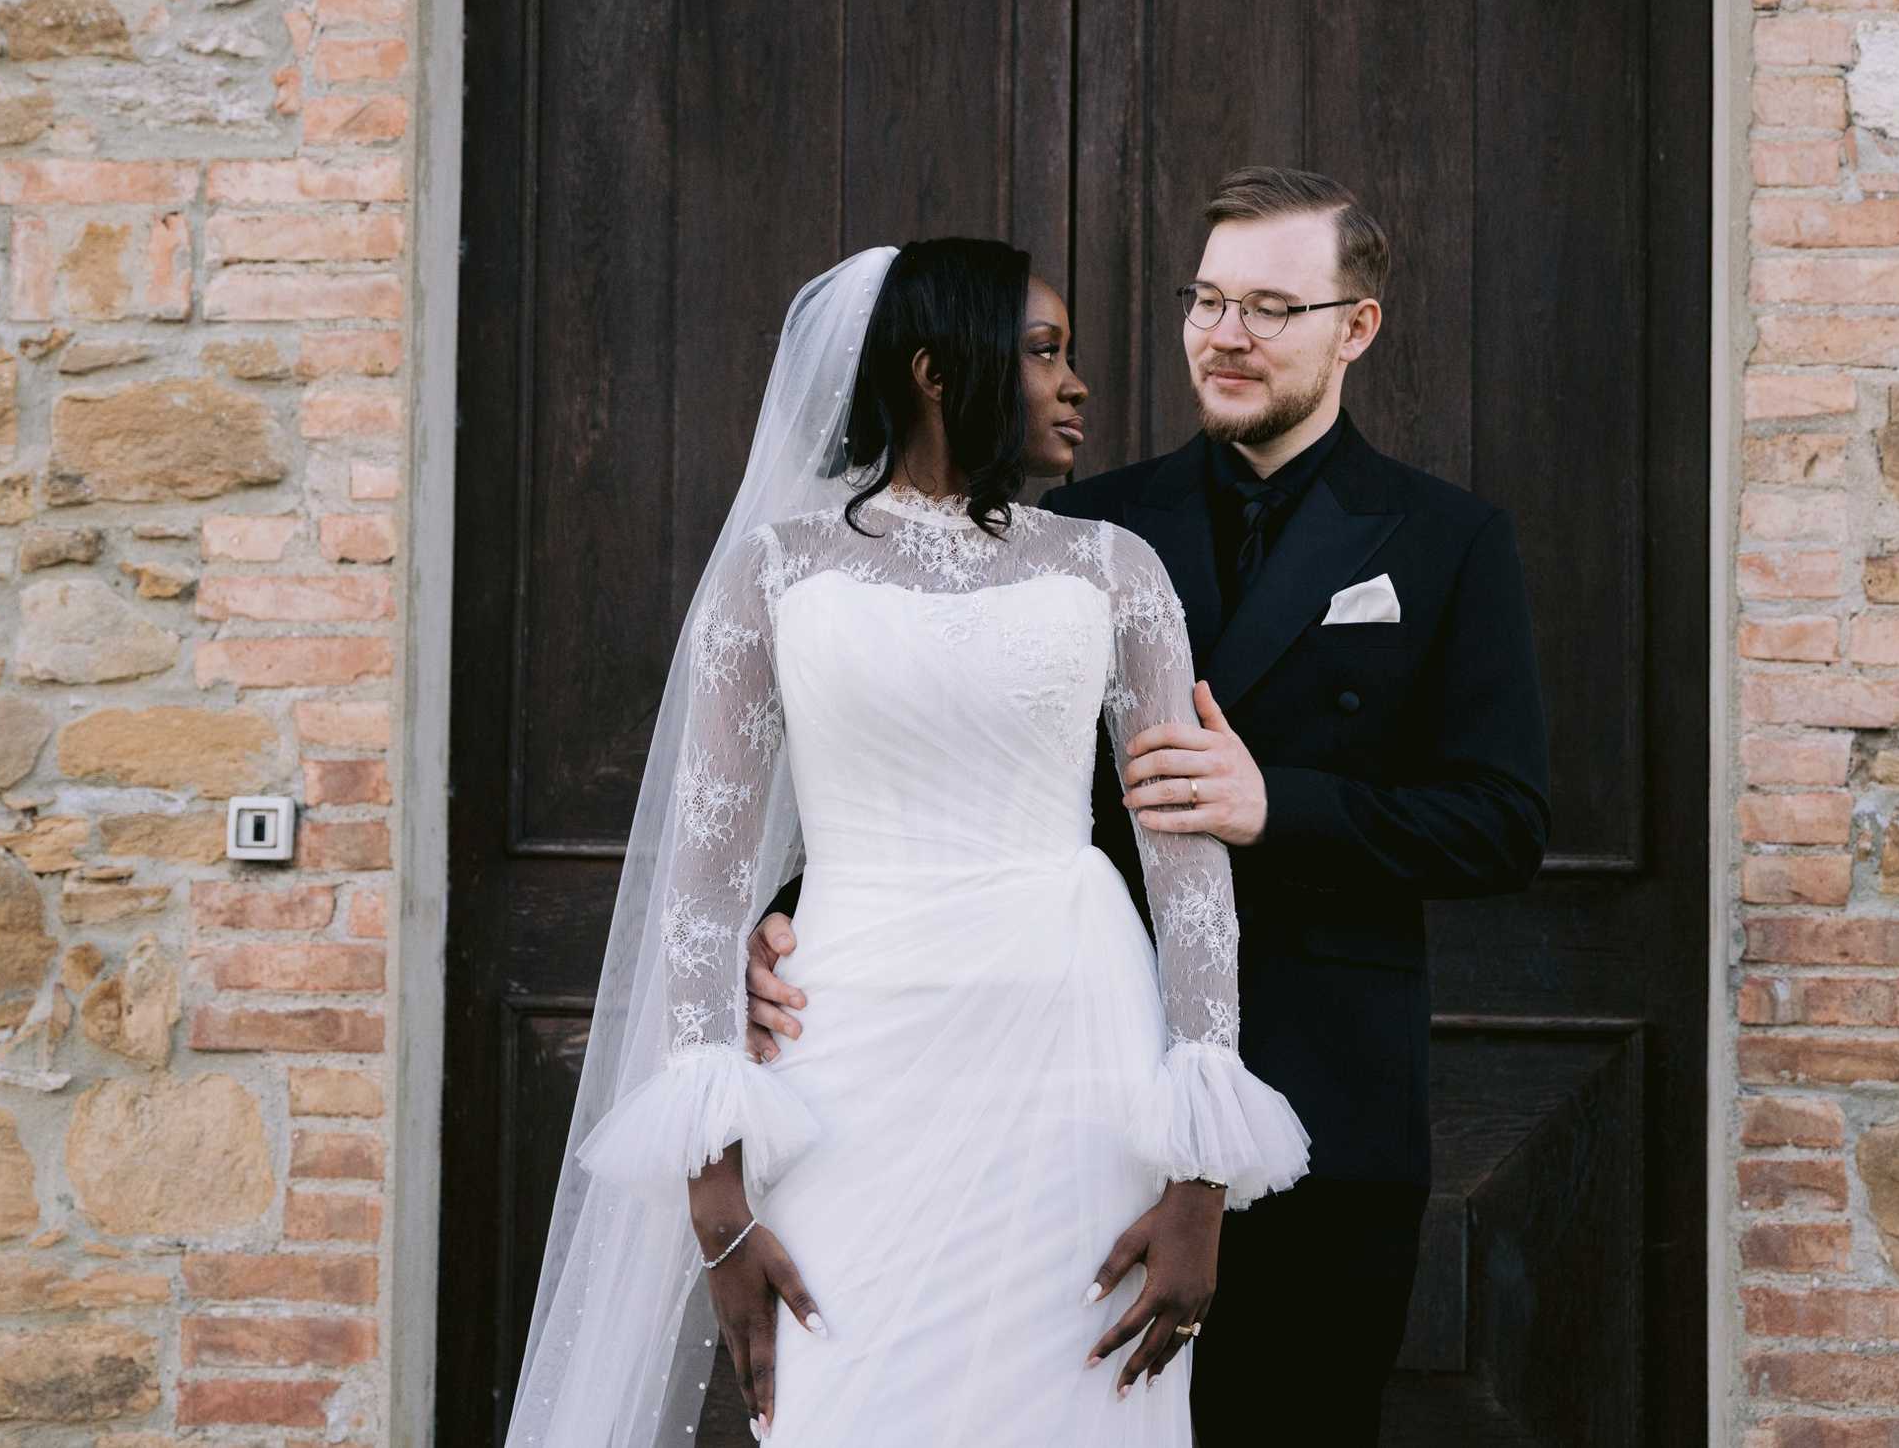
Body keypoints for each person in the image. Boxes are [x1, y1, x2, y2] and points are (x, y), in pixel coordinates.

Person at [749, 169, 1552, 1446]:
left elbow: (1502, 821)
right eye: (1208, 300)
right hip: (1076, 1100)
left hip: (1325, 1099)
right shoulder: (1077, 522)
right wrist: (791, 918)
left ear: (1356, 327)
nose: (1225, 335)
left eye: (1272, 306)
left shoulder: (1446, 539)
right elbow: (974, 761)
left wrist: (1273, 806)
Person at [507, 239, 1307, 1448]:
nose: (1077, 384)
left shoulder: (1115, 570)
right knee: (842, 1403)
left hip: (1076, 1053)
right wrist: (716, 1202)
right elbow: (703, 883)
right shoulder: (775, 572)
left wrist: (1199, 1184)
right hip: (852, 1056)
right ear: (937, 371)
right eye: (1043, 354)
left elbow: (1188, 876)